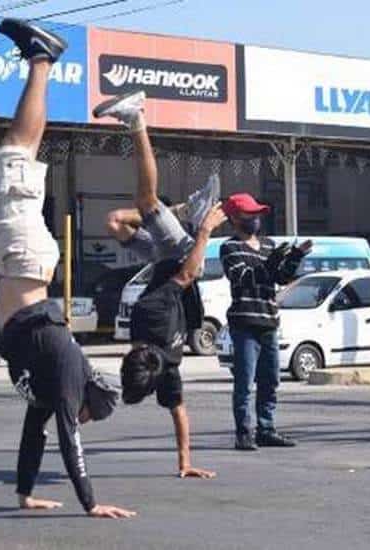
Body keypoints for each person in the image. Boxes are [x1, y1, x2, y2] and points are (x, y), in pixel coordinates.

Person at [0, 19, 134, 519]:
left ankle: (40, 61)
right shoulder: (71, 373)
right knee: (15, 155)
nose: (82, 419)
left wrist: (24, 493)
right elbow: (71, 442)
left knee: (15, 156)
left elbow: (36, 435)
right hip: (24, 257)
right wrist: (90, 504)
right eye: (90, 413)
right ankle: (42, 59)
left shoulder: (53, 389)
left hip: (18, 260)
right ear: (89, 395)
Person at [94, 91, 226, 479]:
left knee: (118, 221)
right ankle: (136, 118)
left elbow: (178, 413)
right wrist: (203, 231)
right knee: (147, 200)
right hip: (182, 255)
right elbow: (186, 276)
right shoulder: (151, 326)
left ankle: (179, 209)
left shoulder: (164, 364)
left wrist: (185, 463)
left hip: (162, 262)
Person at [220, 195, 312, 450]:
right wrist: (270, 264)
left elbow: (281, 277)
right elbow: (243, 277)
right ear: (236, 219)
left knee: (270, 380)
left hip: (269, 320)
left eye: (257, 215)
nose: (256, 220)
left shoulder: (269, 245)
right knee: (244, 382)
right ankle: (243, 432)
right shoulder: (229, 248)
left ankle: (266, 428)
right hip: (245, 322)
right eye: (250, 215)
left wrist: (295, 256)